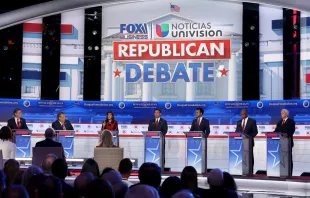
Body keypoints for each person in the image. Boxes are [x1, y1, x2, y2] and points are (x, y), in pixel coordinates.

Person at [274, 109, 295, 176]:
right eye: (281, 113)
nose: (281, 114)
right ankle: (282, 173)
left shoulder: (291, 122)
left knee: (288, 159)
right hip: (280, 144)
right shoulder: (279, 122)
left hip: (288, 143)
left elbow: (291, 132)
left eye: (282, 113)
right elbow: (276, 131)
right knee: (281, 159)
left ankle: (289, 173)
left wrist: (284, 133)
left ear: (286, 114)